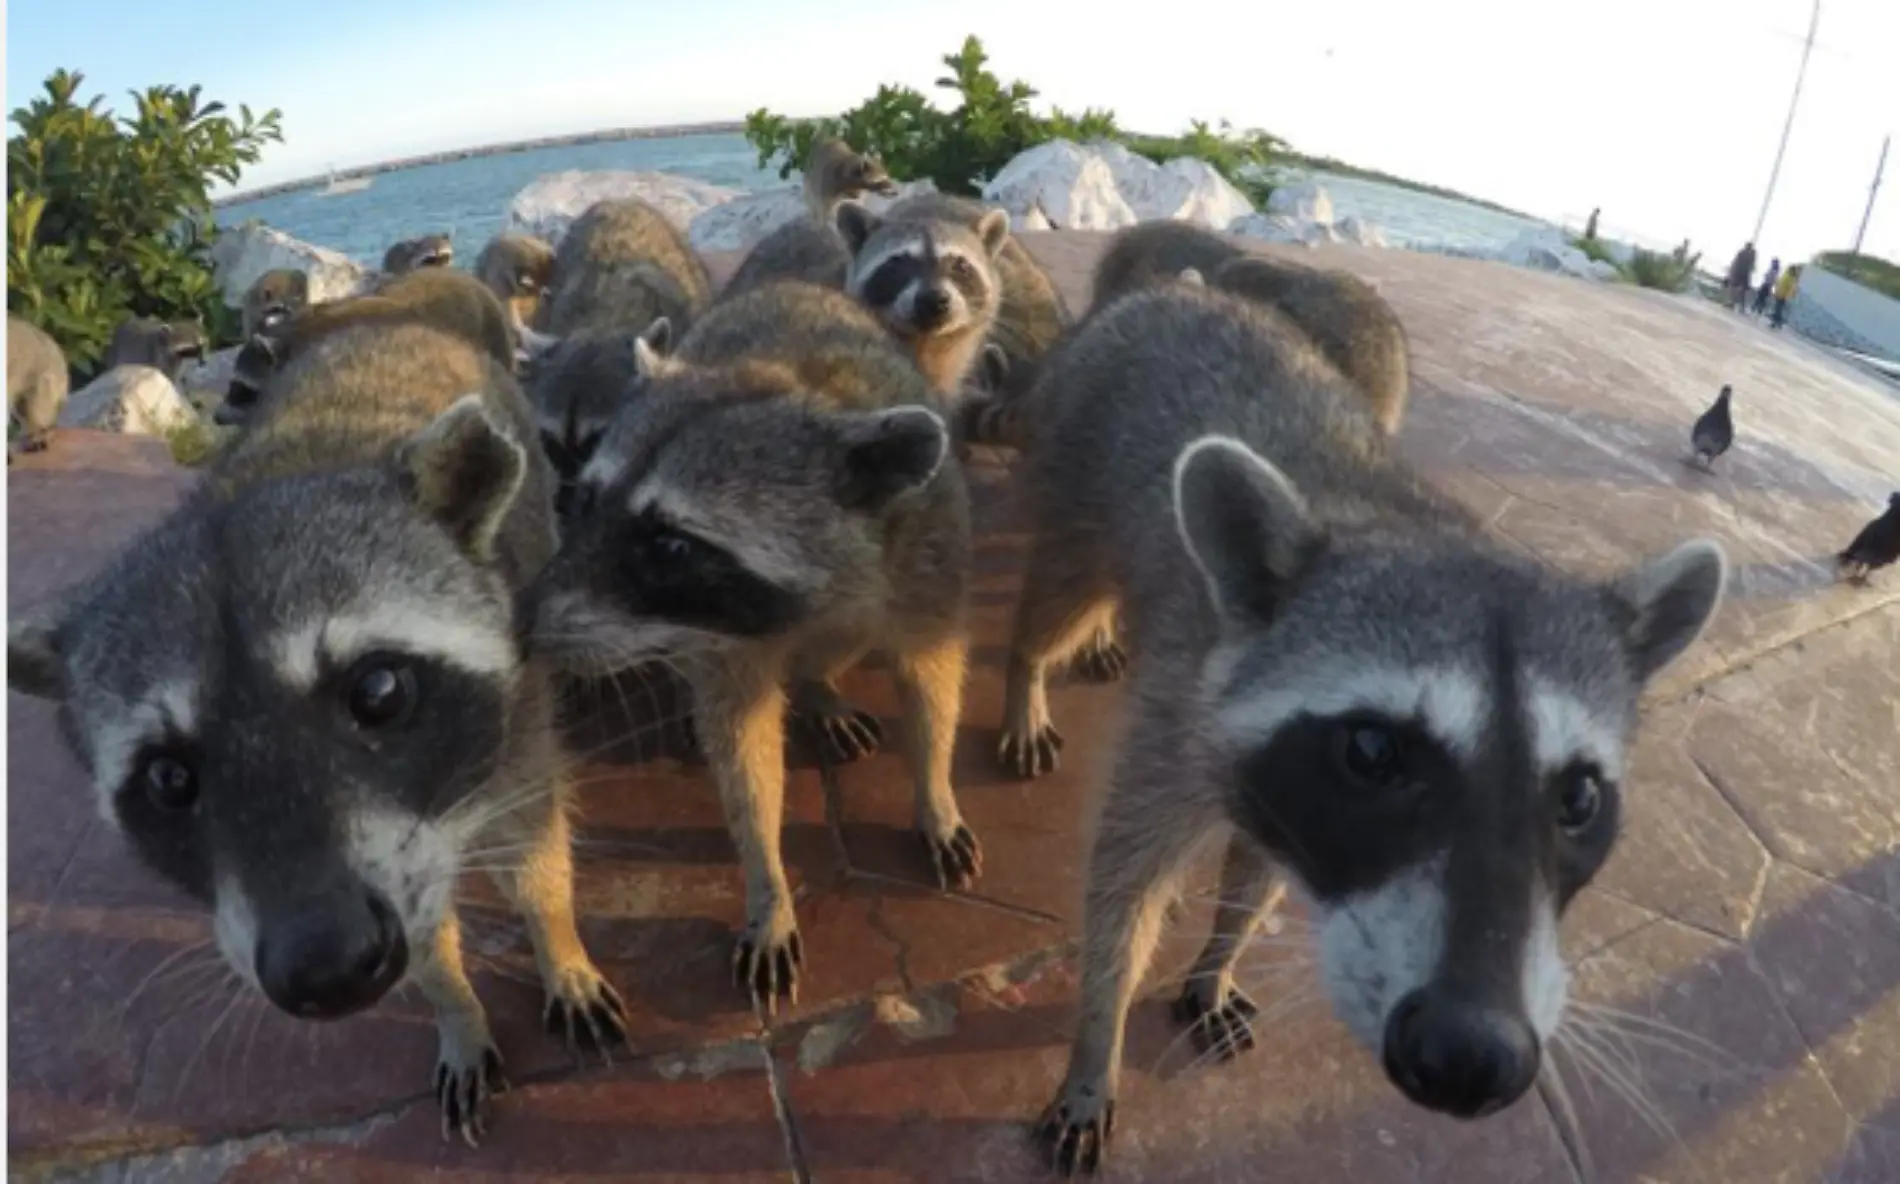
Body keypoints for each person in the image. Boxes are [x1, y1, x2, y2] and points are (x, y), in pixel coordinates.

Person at [1725, 241, 1757, 311]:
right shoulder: (1751, 254)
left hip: (1740, 273)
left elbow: (1736, 262)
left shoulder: (1743, 253)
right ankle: (1739, 305)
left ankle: (1735, 303)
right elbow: (1752, 266)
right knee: (1740, 290)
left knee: (1736, 289)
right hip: (1743, 273)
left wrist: (1731, 270)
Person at [1771, 264, 1800, 329]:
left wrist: (1786, 296)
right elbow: (1778, 283)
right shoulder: (1786, 275)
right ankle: (1775, 323)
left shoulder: (1791, 279)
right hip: (1779, 294)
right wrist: (1775, 290)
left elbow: (1790, 289)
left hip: (1782, 296)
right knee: (1777, 309)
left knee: (1778, 309)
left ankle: (1777, 322)